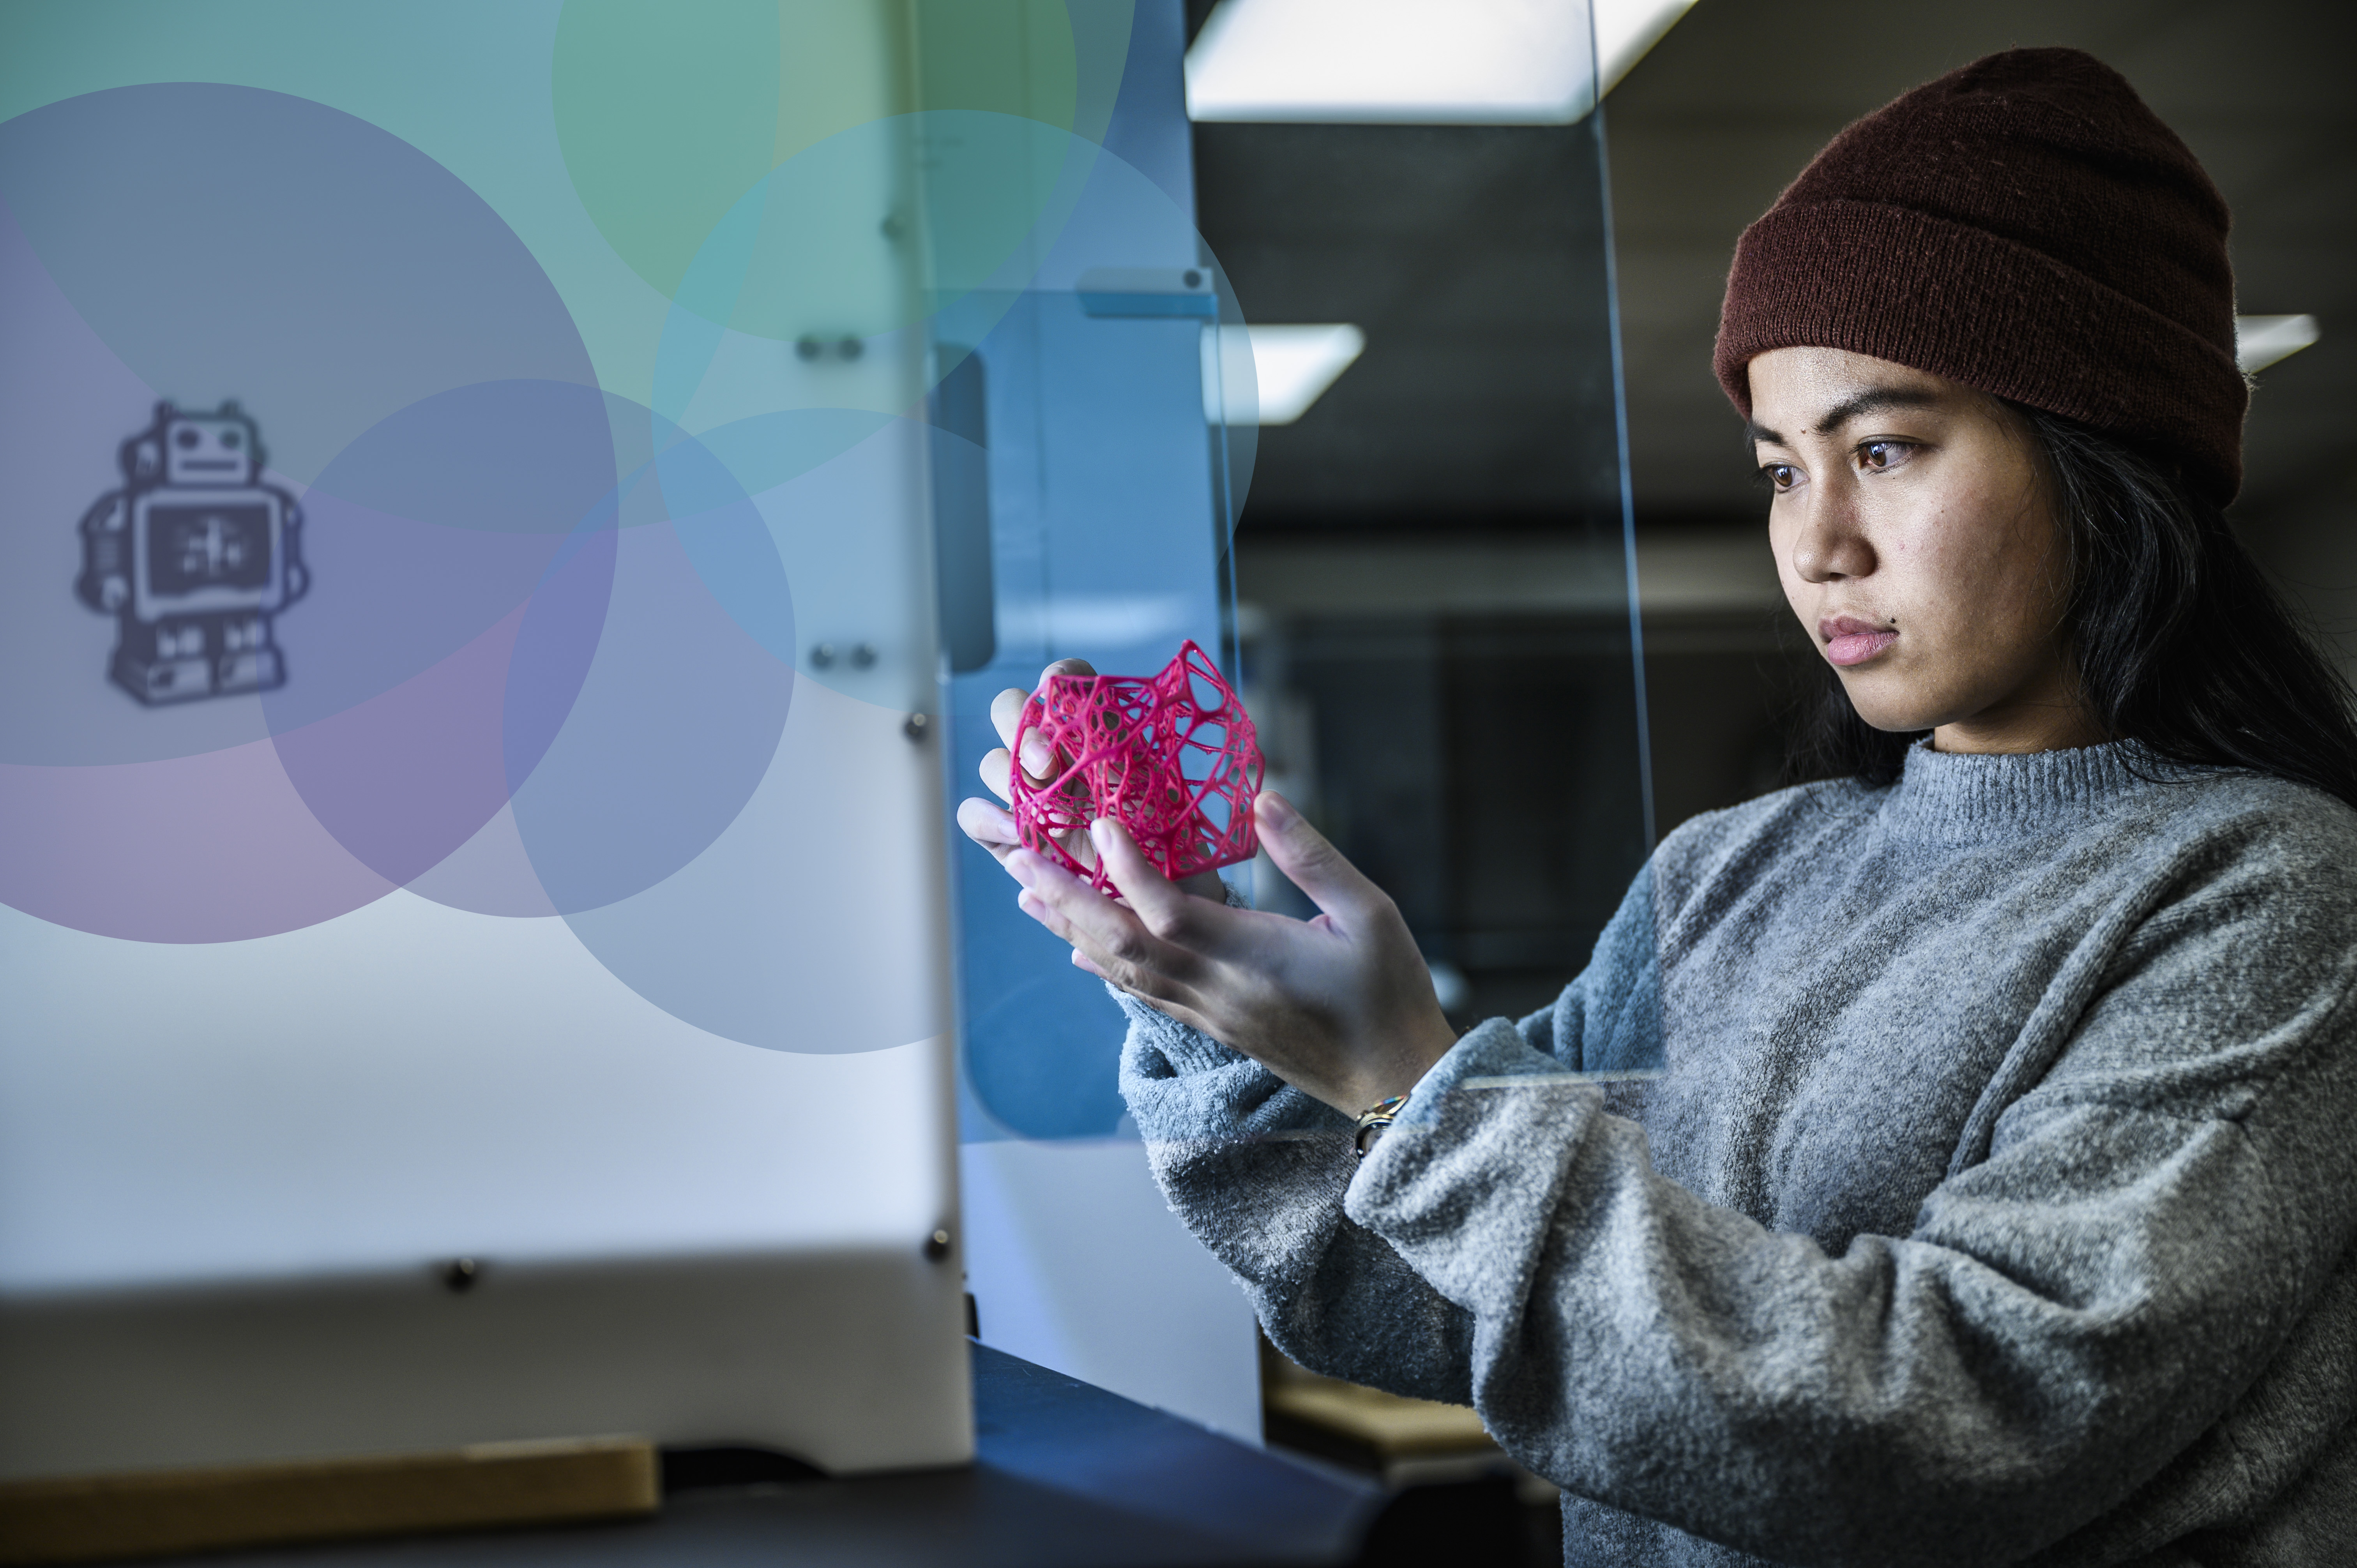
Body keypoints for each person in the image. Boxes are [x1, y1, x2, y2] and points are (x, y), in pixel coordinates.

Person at [957, 49, 2357, 1566]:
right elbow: (1424, 1300)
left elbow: (1955, 1419)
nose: (1816, 543)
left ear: (2107, 456)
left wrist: (1414, 1087)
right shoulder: (1729, 874)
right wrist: (1212, 999)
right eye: (1777, 470)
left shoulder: (2268, 892)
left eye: (1883, 450)